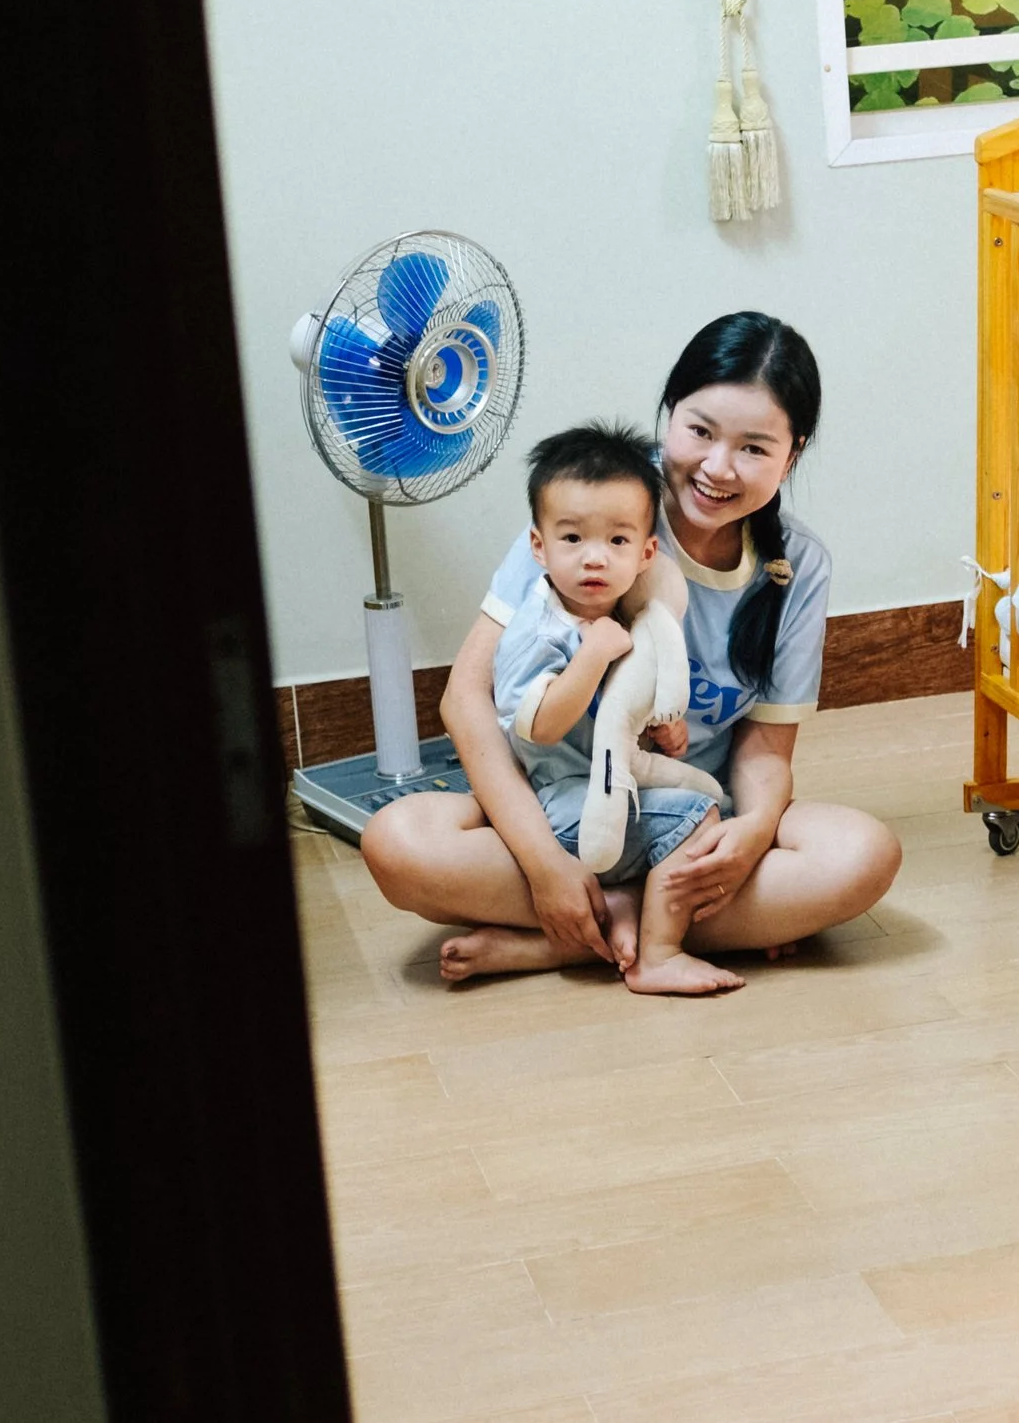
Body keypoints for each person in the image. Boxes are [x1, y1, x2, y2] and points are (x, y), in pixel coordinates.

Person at [360, 312, 902, 982]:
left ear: (793, 454)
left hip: (688, 823)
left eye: (754, 449)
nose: (717, 467)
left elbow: (767, 746)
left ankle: (576, 935)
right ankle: (643, 924)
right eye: (699, 431)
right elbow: (466, 699)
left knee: (863, 854)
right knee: (398, 841)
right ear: (669, 412)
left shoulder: (799, 564)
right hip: (558, 806)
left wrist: (753, 831)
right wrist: (544, 865)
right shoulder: (597, 505)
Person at [493, 423, 740, 996]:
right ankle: (659, 952)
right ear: (538, 547)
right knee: (699, 819)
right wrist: (592, 656)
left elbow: (626, 714)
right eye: (572, 538)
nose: (594, 559)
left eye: (617, 542)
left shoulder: (629, 612)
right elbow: (541, 727)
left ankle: (590, 930)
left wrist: (665, 730)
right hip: (566, 802)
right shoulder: (541, 631)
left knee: (726, 823)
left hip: (617, 781)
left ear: (647, 552)